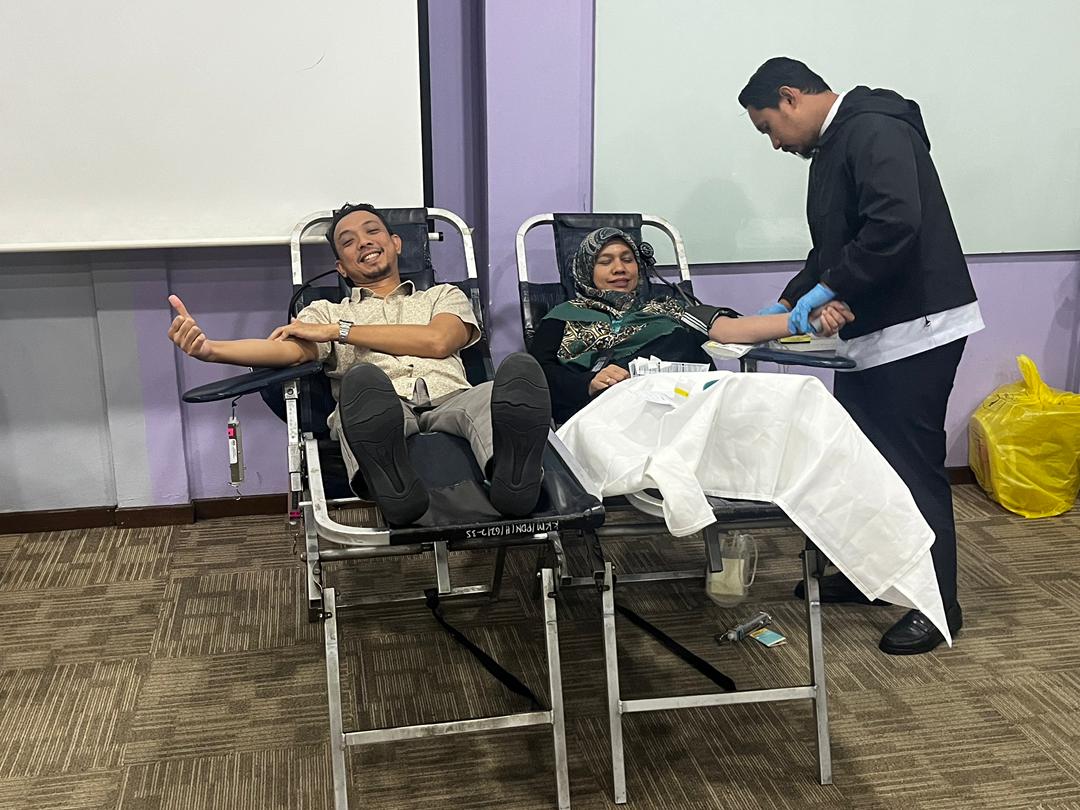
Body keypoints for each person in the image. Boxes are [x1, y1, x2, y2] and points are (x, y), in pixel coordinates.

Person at [738, 57, 984, 655]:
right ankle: (872, 574)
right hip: (876, 336)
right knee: (865, 464)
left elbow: (894, 225)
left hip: (917, 330)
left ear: (791, 97)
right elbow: (833, 247)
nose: (774, 143)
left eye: (769, 127)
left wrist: (833, 289)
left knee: (910, 469)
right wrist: (793, 297)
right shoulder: (832, 147)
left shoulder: (875, 128)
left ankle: (938, 606)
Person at [168, 202, 551, 526]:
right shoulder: (324, 310)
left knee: (492, 395)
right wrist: (211, 349)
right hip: (379, 405)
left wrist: (341, 331)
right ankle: (393, 484)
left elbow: (438, 342)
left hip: (453, 398)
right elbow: (288, 352)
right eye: (348, 242)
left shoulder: (442, 296)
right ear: (341, 267)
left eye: (372, 231)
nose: (363, 242)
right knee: (363, 390)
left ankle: (513, 479)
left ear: (396, 243)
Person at [528, 226, 853, 423]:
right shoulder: (562, 316)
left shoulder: (670, 307)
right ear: (586, 270)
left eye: (628, 259)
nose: (620, 268)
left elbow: (730, 331)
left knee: (794, 405)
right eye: (605, 261)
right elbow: (541, 374)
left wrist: (804, 321)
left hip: (682, 411)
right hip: (607, 412)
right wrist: (588, 382)